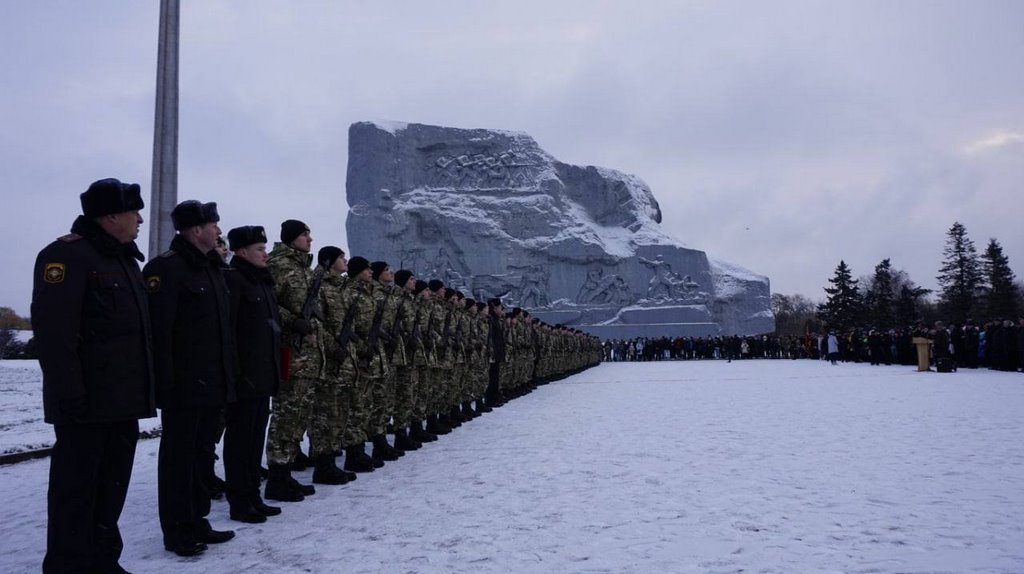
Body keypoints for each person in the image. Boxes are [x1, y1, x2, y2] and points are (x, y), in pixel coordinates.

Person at [33, 178, 155, 574]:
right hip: (86, 404)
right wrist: (69, 395)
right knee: (76, 495)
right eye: (134, 212)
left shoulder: (124, 261)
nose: (140, 219)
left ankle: (103, 561)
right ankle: (68, 566)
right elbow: (55, 334)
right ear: (111, 216)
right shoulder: (66, 256)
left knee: (110, 491)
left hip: (123, 401)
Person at [144, 199, 237, 557]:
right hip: (184, 386)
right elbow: (159, 333)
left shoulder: (212, 268)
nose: (218, 230)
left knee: (201, 456)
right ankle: (177, 529)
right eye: (213, 225)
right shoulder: (166, 268)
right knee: (178, 461)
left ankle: (198, 519)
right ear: (196, 230)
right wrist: (165, 387)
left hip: (213, 382)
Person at [223, 226, 283, 523]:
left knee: (254, 439)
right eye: (259, 249)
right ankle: (239, 500)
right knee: (240, 441)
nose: (265, 254)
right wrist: (237, 373)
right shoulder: (234, 280)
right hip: (245, 376)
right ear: (241, 251)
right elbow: (230, 333)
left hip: (262, 374)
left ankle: (252, 496)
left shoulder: (261, 281)